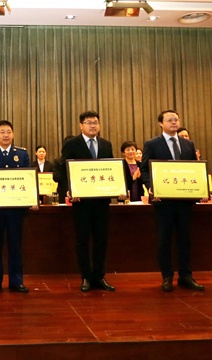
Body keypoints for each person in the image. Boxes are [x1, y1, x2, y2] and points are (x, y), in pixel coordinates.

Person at [140, 109, 206, 292]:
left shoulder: (188, 144)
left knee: (185, 239)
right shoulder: (152, 144)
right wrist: (151, 187)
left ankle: (186, 275)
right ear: (161, 123)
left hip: (185, 201)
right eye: (169, 120)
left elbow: (194, 169)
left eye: (176, 119)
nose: (174, 122)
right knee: (164, 240)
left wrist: (201, 189)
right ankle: (167, 276)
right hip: (163, 201)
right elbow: (144, 169)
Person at [60, 111, 126, 292]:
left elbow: (111, 169)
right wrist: (70, 190)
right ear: (81, 126)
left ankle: (99, 275)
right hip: (81, 201)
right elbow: (64, 169)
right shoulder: (71, 144)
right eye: (89, 122)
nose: (93, 126)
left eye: (95, 122)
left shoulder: (106, 144)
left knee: (101, 239)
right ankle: (86, 277)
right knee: (82, 240)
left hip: (101, 201)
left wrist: (120, 189)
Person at [0, 120, 34, 293]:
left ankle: (16, 281)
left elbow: (28, 180)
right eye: (2, 132)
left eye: (8, 132)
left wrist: (32, 199)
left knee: (15, 246)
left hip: (16, 210)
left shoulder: (21, 154)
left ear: (13, 134)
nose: (6, 135)